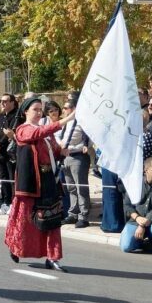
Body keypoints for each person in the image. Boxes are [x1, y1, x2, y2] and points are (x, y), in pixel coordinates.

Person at [5, 96, 76, 272]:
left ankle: (53, 257)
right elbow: (37, 134)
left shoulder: (46, 133)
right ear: (25, 112)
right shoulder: (22, 130)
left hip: (48, 181)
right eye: (35, 109)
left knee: (52, 219)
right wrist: (66, 119)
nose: (38, 112)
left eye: (40, 109)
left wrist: (62, 151)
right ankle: (16, 246)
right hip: (30, 184)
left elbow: (52, 152)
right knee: (24, 219)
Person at [58, 98, 92, 228]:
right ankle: (73, 213)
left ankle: (83, 216)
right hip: (65, 157)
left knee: (80, 187)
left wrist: (86, 146)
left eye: (66, 108)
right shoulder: (66, 123)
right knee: (70, 187)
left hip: (77, 157)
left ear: (74, 109)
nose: (64, 111)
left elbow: (89, 136)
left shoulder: (82, 122)